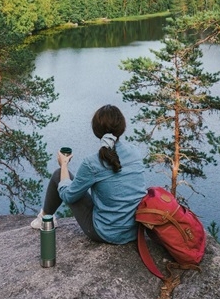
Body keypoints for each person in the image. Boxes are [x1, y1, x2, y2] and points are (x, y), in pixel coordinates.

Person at [30, 104, 147, 244]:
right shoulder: (135, 152)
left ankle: (45, 218)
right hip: (135, 231)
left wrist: (64, 165)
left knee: (57, 175)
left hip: (106, 233)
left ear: (96, 130)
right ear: (122, 128)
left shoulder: (92, 163)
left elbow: (68, 196)